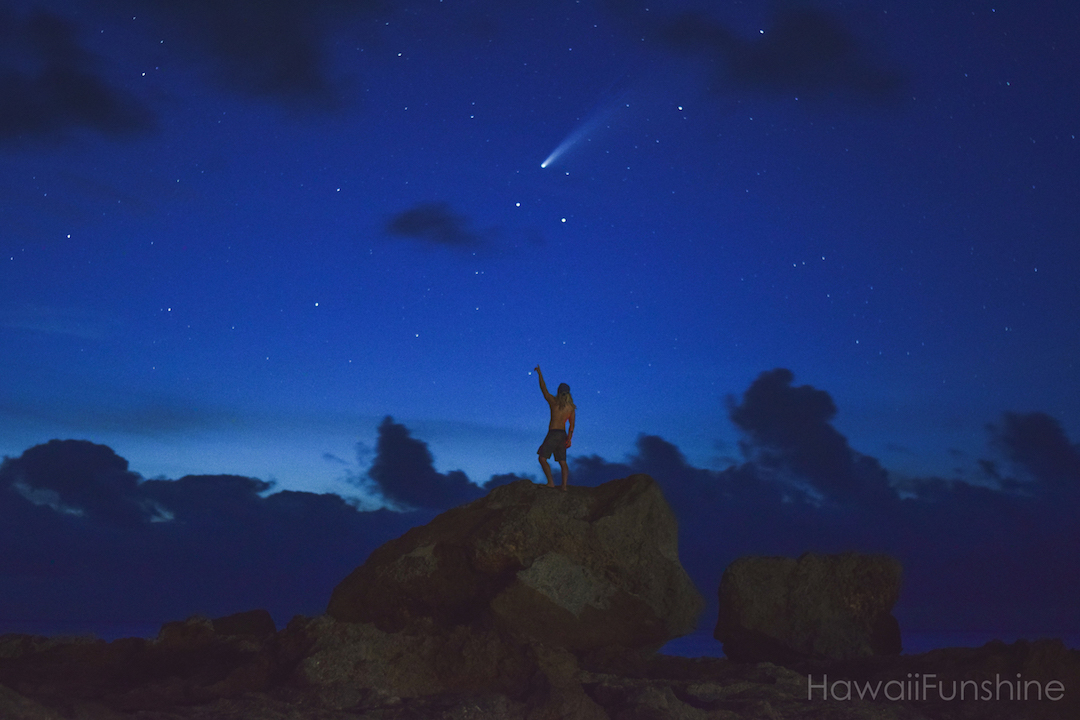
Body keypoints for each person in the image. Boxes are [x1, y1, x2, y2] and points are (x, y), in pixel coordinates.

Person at [534, 365, 575, 490]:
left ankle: (551, 482)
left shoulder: (554, 402)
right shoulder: (571, 408)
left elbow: (544, 389)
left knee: (542, 458)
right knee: (563, 462)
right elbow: (571, 426)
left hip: (553, 434)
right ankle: (564, 486)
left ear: (558, 391)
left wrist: (540, 373)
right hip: (563, 435)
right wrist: (569, 439)